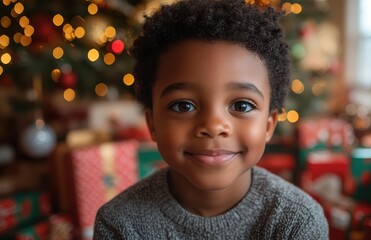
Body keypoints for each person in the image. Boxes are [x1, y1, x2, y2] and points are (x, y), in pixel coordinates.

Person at [94, 0, 329, 239]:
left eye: (242, 105)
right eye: (183, 105)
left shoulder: (298, 222)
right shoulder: (121, 224)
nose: (213, 126)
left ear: (269, 125)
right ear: (153, 123)